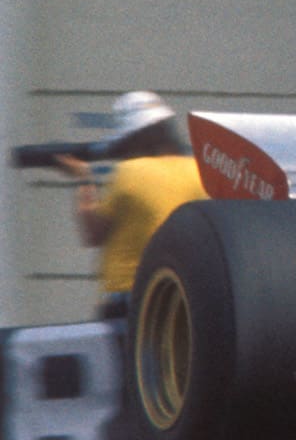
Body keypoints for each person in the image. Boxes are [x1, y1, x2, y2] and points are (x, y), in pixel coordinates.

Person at [54, 92, 206, 322]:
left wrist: (82, 177)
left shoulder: (129, 172)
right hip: (180, 296)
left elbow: (93, 234)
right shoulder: (199, 172)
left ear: (135, 138)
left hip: (129, 296)